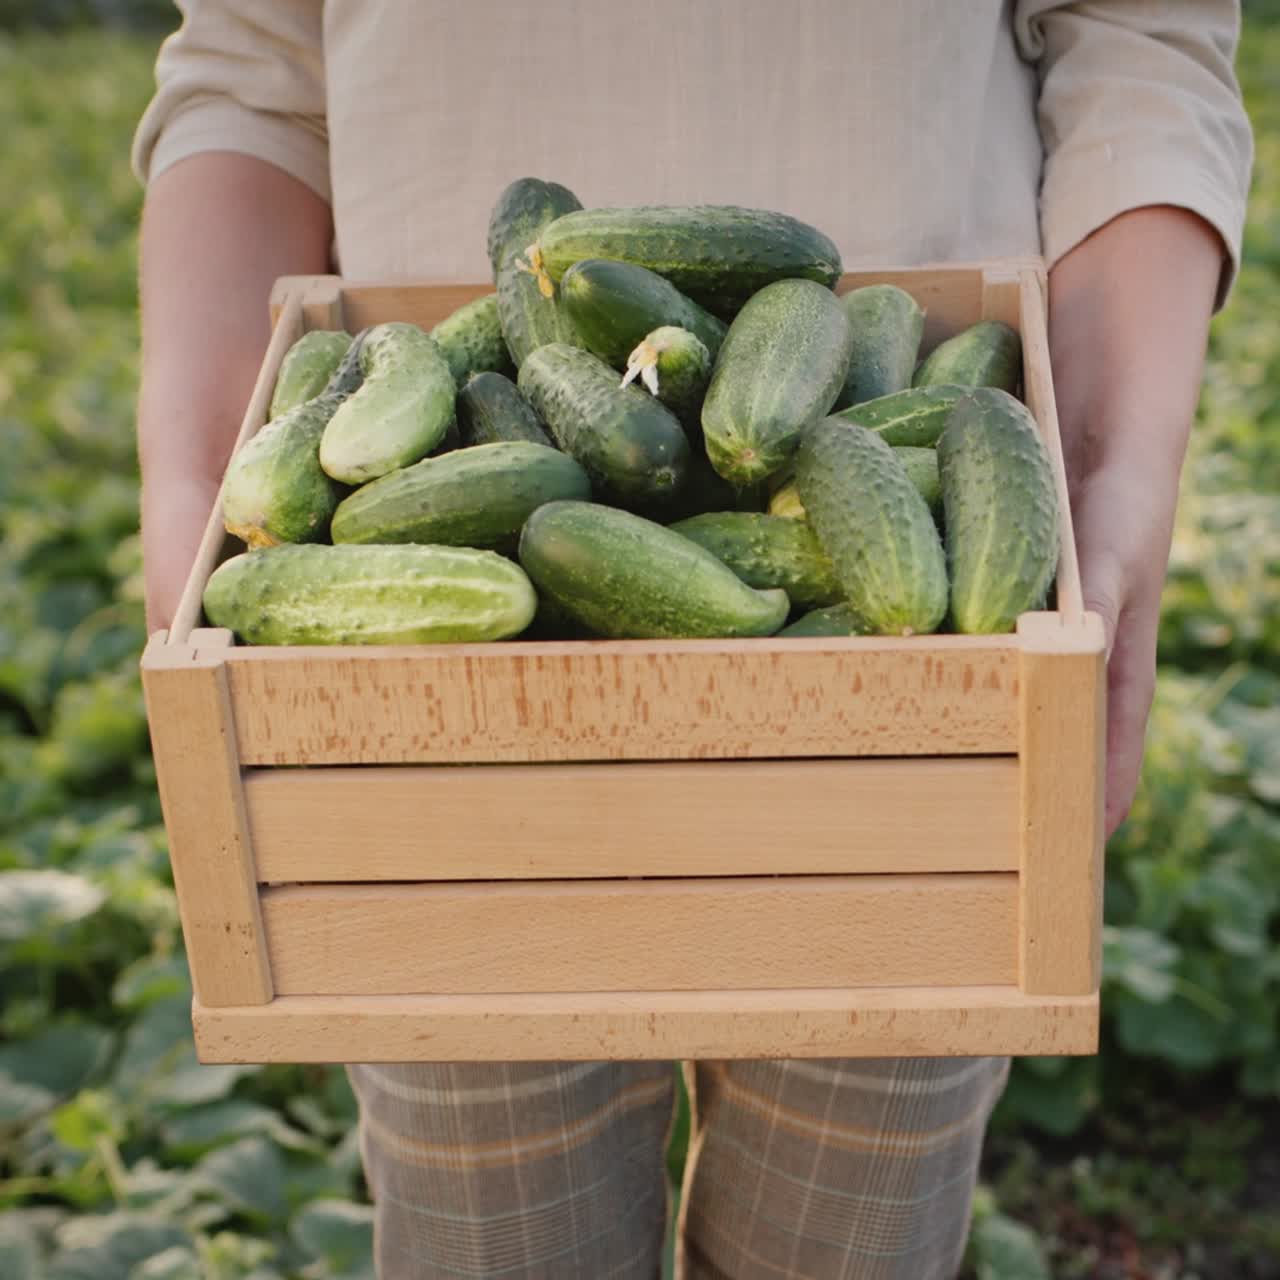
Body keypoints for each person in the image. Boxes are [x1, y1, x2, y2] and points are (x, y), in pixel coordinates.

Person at [133, 3, 1252, 1277]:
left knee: (851, 1234)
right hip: (424, 712)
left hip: (922, 616)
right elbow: (252, 69)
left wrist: (1115, 456)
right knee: (494, 1238)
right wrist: (192, 482)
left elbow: (1137, 31)